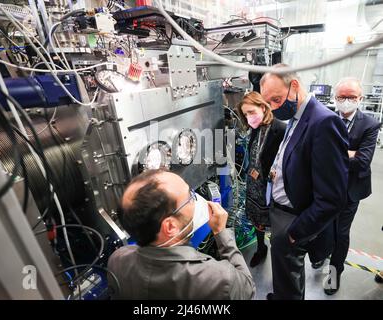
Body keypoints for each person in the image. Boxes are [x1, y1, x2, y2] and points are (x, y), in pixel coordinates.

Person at [259, 63, 349, 300]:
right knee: (284, 275)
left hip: (293, 220)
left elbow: (332, 198)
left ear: (295, 86)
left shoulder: (323, 122)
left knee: (290, 280)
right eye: (268, 103)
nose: (273, 108)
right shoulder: (297, 117)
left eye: (276, 100)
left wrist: (295, 232)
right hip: (281, 214)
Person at [107, 169, 256, 300]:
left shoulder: (117, 260)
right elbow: (247, 289)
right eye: (190, 197)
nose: (195, 199)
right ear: (170, 226)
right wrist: (221, 232)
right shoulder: (218, 278)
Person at [322, 77, 381, 295]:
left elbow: (362, 161)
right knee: (322, 228)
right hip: (324, 187)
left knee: (340, 233)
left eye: (351, 97)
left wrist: (333, 152)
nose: (346, 101)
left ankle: (334, 275)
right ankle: (320, 256)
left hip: (350, 190)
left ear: (360, 98)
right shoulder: (325, 118)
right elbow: (316, 151)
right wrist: (348, 153)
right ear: (334, 98)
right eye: (341, 97)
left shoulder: (370, 124)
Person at [236, 91, 286, 267]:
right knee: (257, 220)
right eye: (245, 114)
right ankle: (260, 248)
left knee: (274, 224)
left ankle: (277, 256)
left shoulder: (280, 128)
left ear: (263, 108)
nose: (249, 117)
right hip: (254, 184)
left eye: (251, 112)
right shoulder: (255, 129)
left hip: (272, 186)